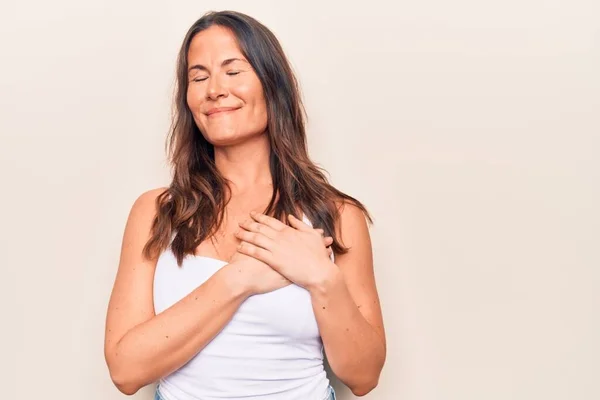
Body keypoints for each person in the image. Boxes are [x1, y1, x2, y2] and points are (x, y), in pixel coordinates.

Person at [104, 10, 386, 400]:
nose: (214, 89)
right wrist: (239, 279)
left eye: (233, 71)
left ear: (273, 85)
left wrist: (323, 278)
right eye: (198, 77)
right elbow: (126, 371)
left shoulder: (336, 216)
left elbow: (364, 376)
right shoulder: (156, 212)